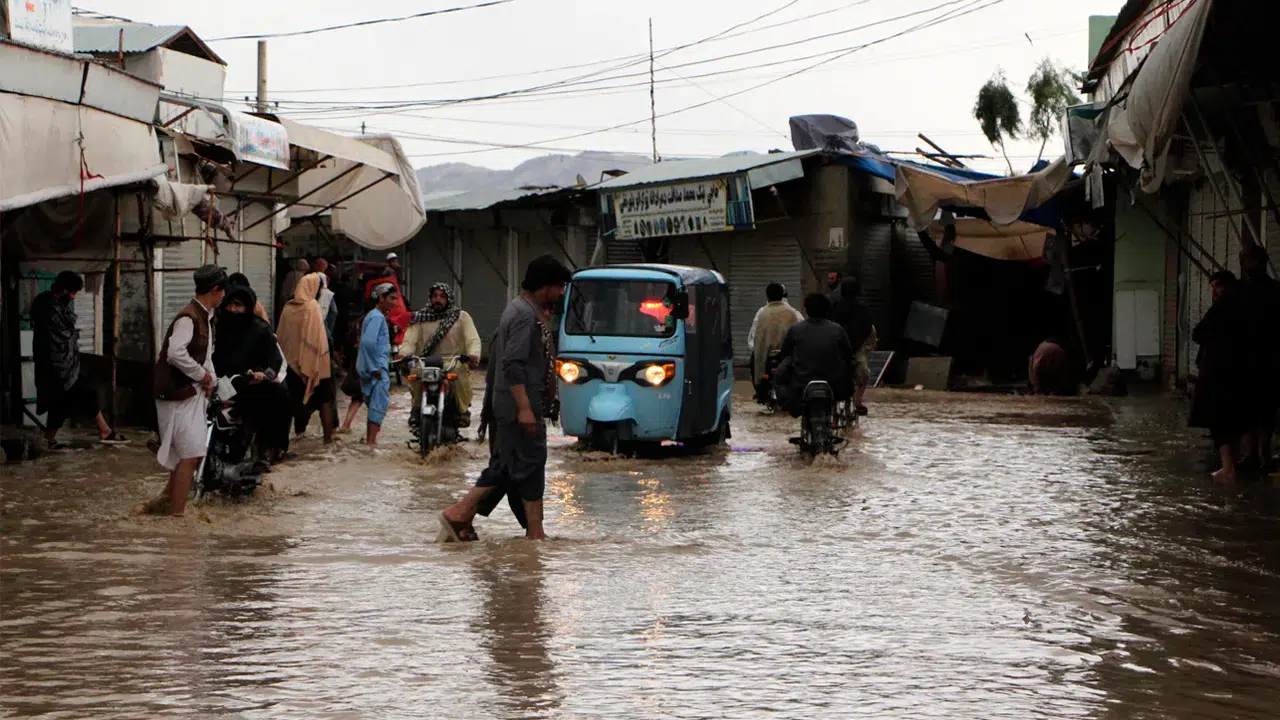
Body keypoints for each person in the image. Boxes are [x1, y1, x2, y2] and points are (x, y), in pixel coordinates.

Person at [439, 255, 572, 542]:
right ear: (543, 286)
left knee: (523, 464)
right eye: (558, 286)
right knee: (513, 463)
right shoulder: (524, 315)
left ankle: (534, 533)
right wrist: (524, 407)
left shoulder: (523, 310)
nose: (562, 292)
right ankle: (460, 512)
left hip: (514, 404)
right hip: (517, 405)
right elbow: (513, 364)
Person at [148, 264, 227, 517]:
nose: (224, 297)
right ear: (215, 290)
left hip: (191, 395)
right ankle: (177, 518)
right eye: (223, 291)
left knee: (186, 455)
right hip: (176, 396)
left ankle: (162, 505)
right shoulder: (188, 317)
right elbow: (174, 353)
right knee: (190, 455)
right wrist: (201, 375)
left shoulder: (205, 317)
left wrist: (212, 379)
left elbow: (207, 357)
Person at [30, 271, 126, 449]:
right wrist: (71, 334)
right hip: (53, 363)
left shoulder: (58, 304)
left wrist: (71, 335)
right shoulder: (47, 305)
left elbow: (64, 330)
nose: (73, 298)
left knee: (68, 396)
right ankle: (103, 431)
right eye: (73, 293)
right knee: (76, 392)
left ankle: (50, 438)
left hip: (67, 363)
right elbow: (54, 334)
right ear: (64, 289)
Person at [212, 283, 291, 468]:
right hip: (221, 382)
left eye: (238, 305)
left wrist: (264, 375)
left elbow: (275, 359)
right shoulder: (217, 326)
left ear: (248, 307)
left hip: (252, 384)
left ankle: (266, 450)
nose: (233, 309)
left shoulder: (260, 329)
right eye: (230, 304)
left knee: (278, 396)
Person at [1190, 271, 1252, 483]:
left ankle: (1228, 468)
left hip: (1220, 371)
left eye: (1218, 286)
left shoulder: (1222, 309)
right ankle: (1232, 465)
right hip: (1240, 370)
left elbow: (1198, 334)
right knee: (1233, 421)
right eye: (1213, 287)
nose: (1215, 291)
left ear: (1229, 287)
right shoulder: (1245, 307)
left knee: (1221, 421)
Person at [398, 282, 482, 430]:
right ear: (430, 298)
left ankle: (462, 410)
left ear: (449, 299)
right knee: (416, 372)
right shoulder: (420, 318)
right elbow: (410, 340)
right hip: (425, 362)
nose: (438, 299)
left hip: (452, 361)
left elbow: (472, 339)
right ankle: (417, 408)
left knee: (459, 371)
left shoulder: (461, 317)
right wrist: (403, 354)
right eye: (435, 296)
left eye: (442, 296)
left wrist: (473, 355)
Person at [776, 293, 854, 417]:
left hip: (801, 384)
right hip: (835, 385)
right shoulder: (838, 330)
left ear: (806, 309)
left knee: (779, 375)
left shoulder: (795, 330)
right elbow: (848, 356)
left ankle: (793, 409)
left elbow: (786, 354)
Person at [278, 273, 335, 443]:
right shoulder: (313, 307)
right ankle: (327, 441)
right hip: (318, 363)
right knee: (325, 401)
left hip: (291, 364)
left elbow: (281, 337)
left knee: (292, 403)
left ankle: (292, 439)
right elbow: (320, 337)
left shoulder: (287, 308)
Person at [1239, 244, 1280, 471]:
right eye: (1246, 260)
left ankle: (1264, 454)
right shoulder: (1238, 291)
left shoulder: (1275, 290)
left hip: (1269, 360)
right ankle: (1251, 453)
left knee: (1265, 411)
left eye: (1253, 260)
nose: (1249, 265)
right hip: (1244, 360)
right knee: (1247, 411)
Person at [747, 282, 803, 403]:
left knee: (754, 363)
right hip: (787, 356)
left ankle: (760, 390)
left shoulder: (762, 313)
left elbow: (755, 336)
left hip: (767, 355)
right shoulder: (793, 312)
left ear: (767, 296)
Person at [358, 283, 398, 446]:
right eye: (391, 298)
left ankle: (370, 442)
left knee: (374, 407)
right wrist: (375, 368)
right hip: (377, 370)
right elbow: (367, 343)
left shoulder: (373, 316)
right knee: (377, 407)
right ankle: (371, 443)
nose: (395, 303)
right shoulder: (377, 317)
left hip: (373, 369)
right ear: (381, 298)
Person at [831, 277, 877, 415]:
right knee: (863, 374)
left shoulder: (836, 307)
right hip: (850, 349)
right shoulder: (861, 309)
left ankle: (853, 403)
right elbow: (868, 329)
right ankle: (857, 401)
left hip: (841, 349)